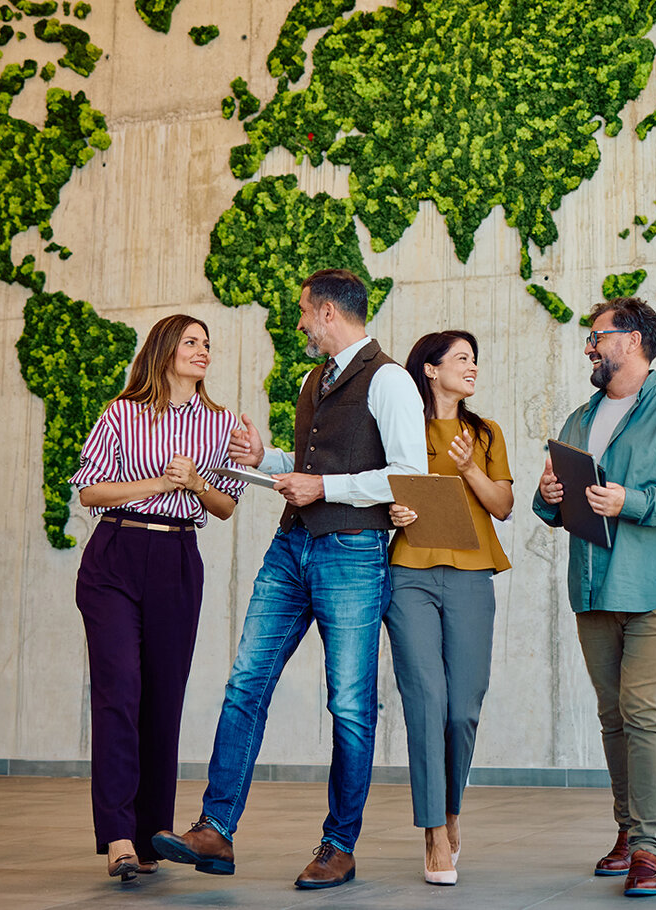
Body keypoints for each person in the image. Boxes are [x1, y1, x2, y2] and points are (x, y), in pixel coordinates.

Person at [151, 268, 423, 890]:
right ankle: (214, 829)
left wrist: (323, 487)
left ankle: (339, 846)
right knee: (246, 683)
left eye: (304, 311)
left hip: (354, 552)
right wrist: (264, 459)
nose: (299, 323)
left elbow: (407, 474)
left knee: (349, 704)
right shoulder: (312, 380)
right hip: (291, 545)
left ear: (328, 312)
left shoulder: (390, 380)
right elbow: (309, 464)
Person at [533, 297, 656, 898]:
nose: (589, 346)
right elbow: (552, 506)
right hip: (593, 588)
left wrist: (628, 501)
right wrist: (548, 495)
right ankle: (626, 832)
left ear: (632, 340)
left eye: (597, 335)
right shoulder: (578, 419)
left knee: (645, 711)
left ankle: (649, 847)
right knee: (613, 716)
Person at [69, 314, 246, 881]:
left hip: (178, 558)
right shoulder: (122, 412)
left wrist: (196, 484)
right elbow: (89, 491)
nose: (202, 351)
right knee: (119, 691)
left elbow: (226, 506)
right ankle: (119, 837)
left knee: (163, 699)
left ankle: (150, 837)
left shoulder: (221, 424)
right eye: (191, 342)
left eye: (207, 344)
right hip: (115, 554)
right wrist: (160, 483)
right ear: (165, 350)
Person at [383, 330, 514, 885]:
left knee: (462, 707)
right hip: (409, 574)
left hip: (472, 575)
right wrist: (390, 511)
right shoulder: (400, 426)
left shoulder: (485, 432)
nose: (472, 366)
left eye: (475, 359)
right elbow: (378, 489)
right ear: (431, 369)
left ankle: (452, 809)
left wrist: (469, 469)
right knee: (426, 702)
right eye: (462, 358)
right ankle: (434, 831)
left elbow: (503, 506)